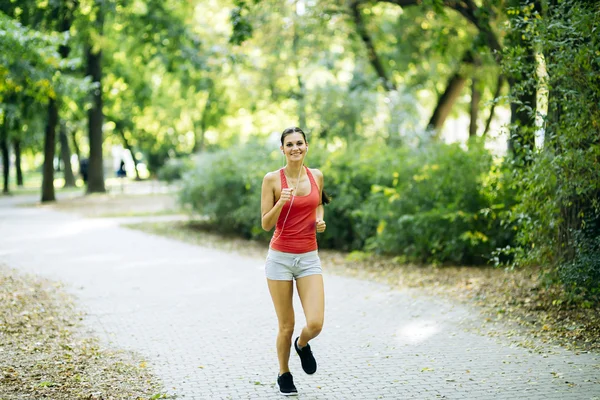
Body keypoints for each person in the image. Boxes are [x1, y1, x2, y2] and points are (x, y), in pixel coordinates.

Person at [260, 126, 330, 396]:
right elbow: (266, 224)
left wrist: (320, 219)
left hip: (309, 258)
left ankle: (302, 344)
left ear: (307, 146)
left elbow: (319, 203)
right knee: (286, 325)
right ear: (282, 149)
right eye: (289, 144)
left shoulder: (316, 176)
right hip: (279, 259)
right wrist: (280, 203)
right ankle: (284, 373)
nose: (295, 148)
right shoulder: (272, 180)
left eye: (299, 143)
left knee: (315, 323)